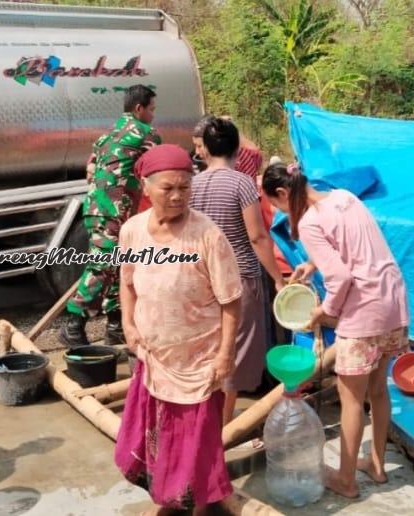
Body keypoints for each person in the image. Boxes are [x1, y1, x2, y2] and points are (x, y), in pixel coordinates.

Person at [262, 162, 410, 499]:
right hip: (393, 300)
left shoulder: (310, 222)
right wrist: (313, 263)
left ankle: (346, 480)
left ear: (284, 193)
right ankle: (376, 464)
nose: (284, 213)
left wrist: (323, 312)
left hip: (363, 312)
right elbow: (352, 243)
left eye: (278, 206)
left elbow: (341, 278)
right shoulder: (344, 197)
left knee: (351, 399)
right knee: (378, 390)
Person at [115, 144, 241, 515]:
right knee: (159, 436)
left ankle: (199, 504)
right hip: (155, 358)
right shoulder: (132, 231)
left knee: (198, 442)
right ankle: (169, 498)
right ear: (146, 186)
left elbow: (231, 301)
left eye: (184, 188)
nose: (176, 196)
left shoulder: (207, 235)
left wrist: (225, 355)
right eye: (167, 188)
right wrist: (128, 322)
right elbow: (127, 283)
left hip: (199, 361)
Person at [189, 117, 285, 427]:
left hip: (203, 278)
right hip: (239, 277)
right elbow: (257, 237)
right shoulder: (242, 183)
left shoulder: (193, 184)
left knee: (210, 348)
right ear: (236, 147)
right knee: (233, 352)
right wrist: (279, 279)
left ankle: (205, 419)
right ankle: (223, 428)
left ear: (205, 149)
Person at [60, 85, 161, 348]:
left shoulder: (104, 138)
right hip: (114, 211)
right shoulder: (146, 134)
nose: (153, 115)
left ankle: (116, 324)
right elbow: (160, 170)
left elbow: (90, 171)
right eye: (151, 109)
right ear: (138, 109)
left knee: (119, 266)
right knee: (104, 265)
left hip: (95, 209)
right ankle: (73, 323)